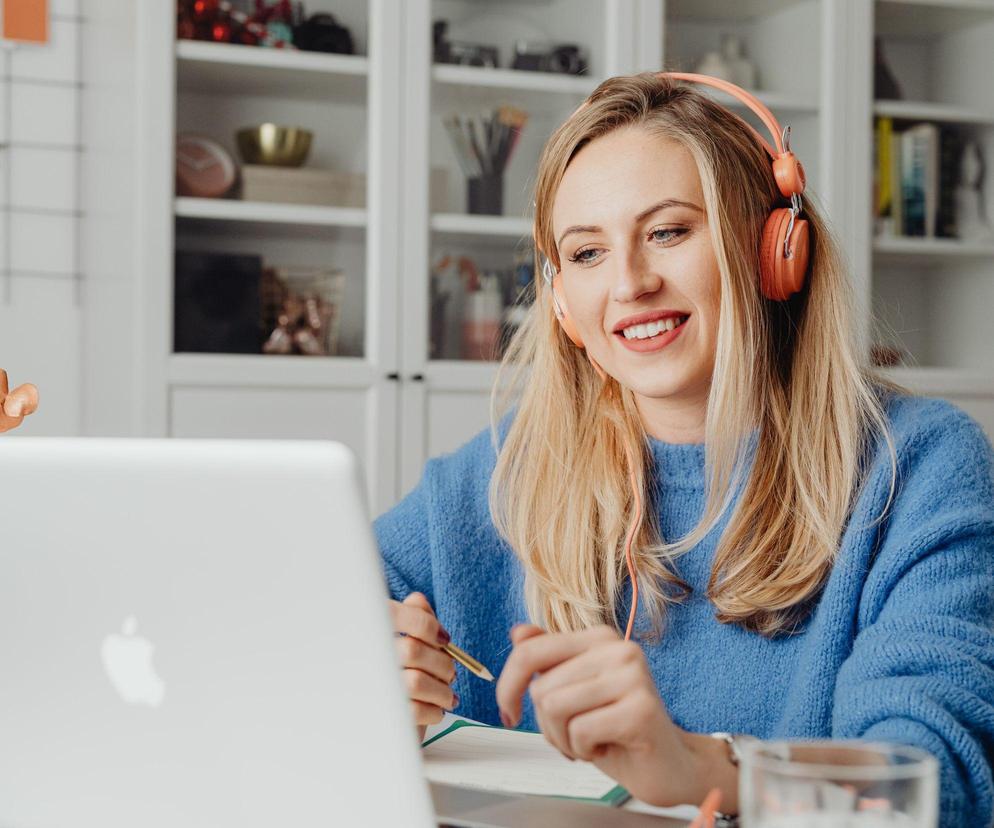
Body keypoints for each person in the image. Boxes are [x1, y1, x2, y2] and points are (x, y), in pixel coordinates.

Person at [374, 72, 994, 827]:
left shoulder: (920, 469)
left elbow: (932, 789)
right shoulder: (503, 470)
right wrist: (360, 676)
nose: (629, 283)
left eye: (667, 232)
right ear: (560, 298)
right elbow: (306, 610)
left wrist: (707, 771)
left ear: (775, 249)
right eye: (587, 253)